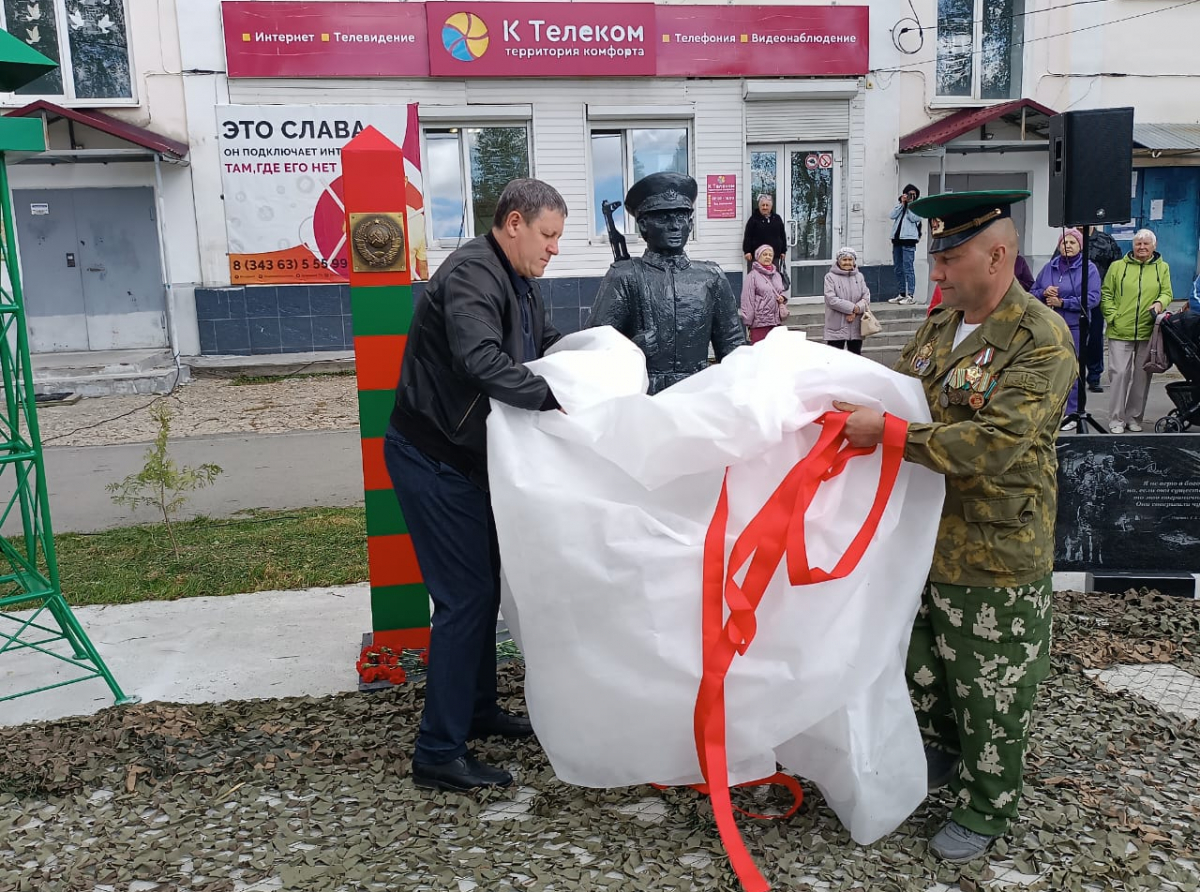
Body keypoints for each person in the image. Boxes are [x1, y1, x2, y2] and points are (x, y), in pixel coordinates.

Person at [833, 190, 1075, 863]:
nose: (936, 275)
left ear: (998, 255)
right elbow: (901, 394)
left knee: (991, 684)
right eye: (934, 258)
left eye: (950, 259)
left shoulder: (1040, 342)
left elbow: (992, 445)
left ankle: (987, 801)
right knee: (926, 666)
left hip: (996, 550)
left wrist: (885, 433)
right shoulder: (943, 327)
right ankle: (936, 755)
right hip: (923, 538)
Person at [385, 178, 568, 792]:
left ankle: (477, 709)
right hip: (432, 457)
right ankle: (438, 750)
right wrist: (558, 398)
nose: (554, 249)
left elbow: (540, 348)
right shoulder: (472, 274)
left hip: (468, 461)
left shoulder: (520, 280)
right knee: (464, 599)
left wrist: (588, 361)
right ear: (513, 223)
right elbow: (480, 361)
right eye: (548, 235)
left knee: (483, 591)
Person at [587, 171, 746, 394]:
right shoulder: (624, 276)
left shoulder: (711, 276)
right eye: (663, 217)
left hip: (698, 395)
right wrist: (631, 348)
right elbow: (594, 349)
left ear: (690, 223)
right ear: (643, 225)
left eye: (681, 217)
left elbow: (733, 346)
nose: (674, 225)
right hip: (644, 399)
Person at [1101, 228, 1174, 433]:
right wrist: (1112, 316)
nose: (1142, 247)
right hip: (1119, 329)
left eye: (1146, 244)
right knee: (1119, 374)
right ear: (1132, 246)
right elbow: (1106, 293)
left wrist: (1160, 302)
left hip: (1148, 330)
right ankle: (1116, 419)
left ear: (1154, 246)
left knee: (1142, 377)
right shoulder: (1117, 267)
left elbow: (1167, 292)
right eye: (1138, 243)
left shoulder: (1163, 268)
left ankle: (1134, 417)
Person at [1030, 228, 1101, 431]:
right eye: (1064, 242)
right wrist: (1043, 293)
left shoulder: (1089, 269)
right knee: (1049, 368)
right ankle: (1050, 410)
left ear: (1080, 246)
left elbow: (1093, 298)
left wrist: (1063, 303)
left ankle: (1072, 411)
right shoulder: (1049, 267)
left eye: (1072, 242)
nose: (1067, 246)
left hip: (1073, 327)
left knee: (1071, 369)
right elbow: (1031, 293)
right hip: (1048, 326)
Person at [1085, 226, 1123, 392]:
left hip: (1097, 298)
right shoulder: (1069, 239)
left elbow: (1118, 268)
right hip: (1072, 299)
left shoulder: (1106, 241)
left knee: (1094, 338)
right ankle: (1073, 376)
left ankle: (1094, 377)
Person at [823, 246, 871, 354]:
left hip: (856, 326)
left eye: (850, 260)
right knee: (834, 358)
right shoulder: (830, 277)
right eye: (844, 260)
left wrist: (857, 309)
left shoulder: (859, 277)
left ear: (854, 261)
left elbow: (866, 297)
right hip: (836, 327)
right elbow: (831, 299)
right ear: (839, 261)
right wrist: (852, 308)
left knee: (855, 357)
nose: (847, 262)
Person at [740, 244, 787, 344]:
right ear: (758, 257)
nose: (768, 257)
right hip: (759, 323)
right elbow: (747, 299)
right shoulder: (752, 276)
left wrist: (783, 297)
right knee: (759, 353)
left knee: (774, 352)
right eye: (764, 254)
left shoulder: (777, 275)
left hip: (775, 322)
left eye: (770, 255)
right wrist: (748, 320)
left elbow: (781, 290)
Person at [742, 193, 788, 285]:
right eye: (763, 205)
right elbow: (748, 236)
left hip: (774, 256)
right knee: (758, 280)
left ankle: (775, 297)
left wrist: (783, 251)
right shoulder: (754, 219)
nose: (765, 207)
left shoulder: (777, 219)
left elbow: (782, 235)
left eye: (767, 205)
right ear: (759, 206)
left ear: (771, 207)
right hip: (757, 257)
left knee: (774, 278)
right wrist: (747, 251)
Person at [888, 184, 923, 304]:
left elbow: (915, 218)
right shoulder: (901, 206)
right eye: (908, 194)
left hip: (909, 241)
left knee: (908, 268)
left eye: (913, 194)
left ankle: (911, 296)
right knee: (898, 268)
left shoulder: (917, 207)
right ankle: (902, 293)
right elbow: (891, 215)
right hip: (897, 240)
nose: (910, 196)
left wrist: (910, 205)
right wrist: (902, 204)